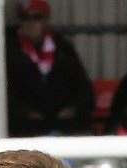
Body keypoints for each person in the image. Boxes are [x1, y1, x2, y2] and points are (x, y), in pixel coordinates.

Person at [6, 0, 93, 137]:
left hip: (63, 124)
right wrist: (24, 112)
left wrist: (72, 109)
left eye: (36, 18)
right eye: (24, 18)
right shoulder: (9, 49)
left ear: (46, 21)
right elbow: (3, 91)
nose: (30, 23)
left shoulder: (62, 48)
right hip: (26, 127)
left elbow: (82, 87)